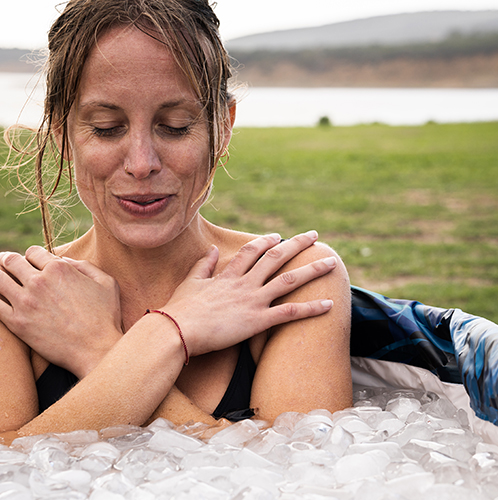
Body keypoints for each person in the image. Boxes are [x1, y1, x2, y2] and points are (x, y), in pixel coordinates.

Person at [0, 0, 352, 444]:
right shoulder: (17, 298)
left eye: (176, 125)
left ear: (222, 128)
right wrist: (173, 332)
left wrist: (99, 347)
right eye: (108, 127)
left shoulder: (291, 280)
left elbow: (302, 480)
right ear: (60, 133)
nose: (142, 163)